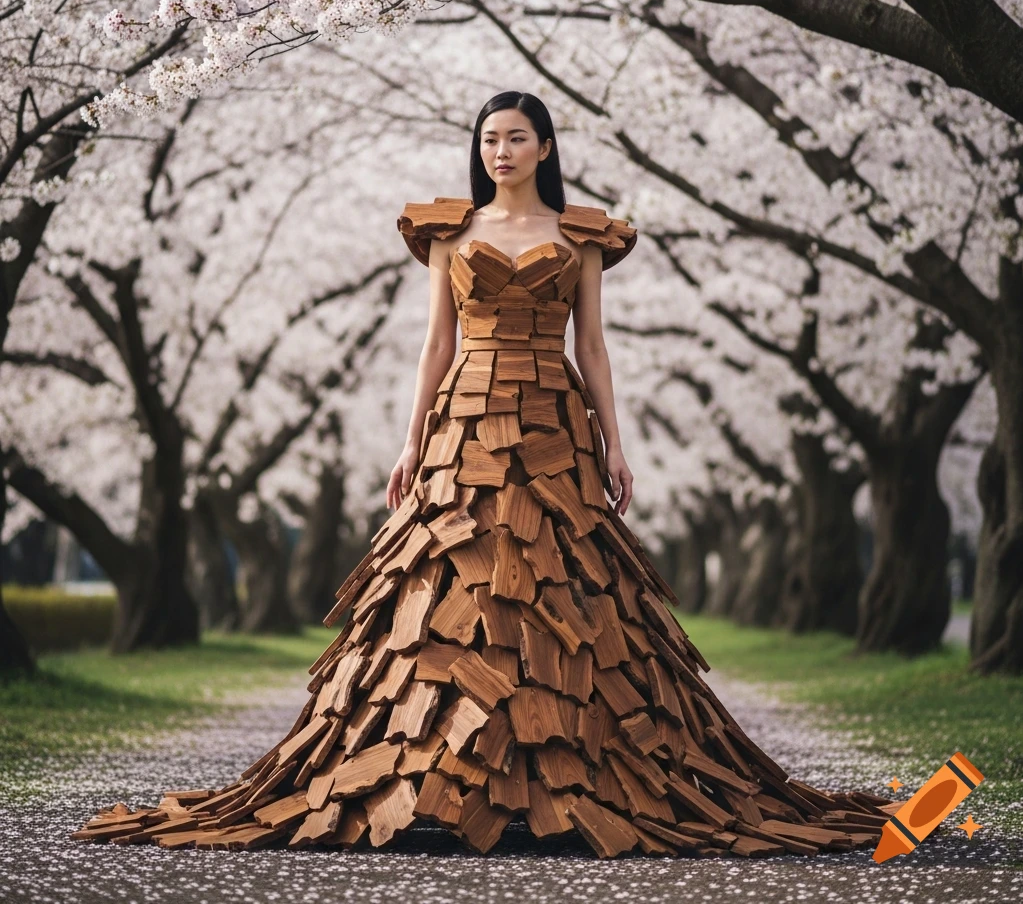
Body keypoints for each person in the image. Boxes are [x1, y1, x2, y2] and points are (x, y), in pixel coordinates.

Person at [72, 91, 894, 857]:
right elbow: (434, 346)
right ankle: (436, 778)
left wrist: (614, 444)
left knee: (561, 583)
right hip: (464, 419)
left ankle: (568, 773)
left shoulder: (583, 236)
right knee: (452, 582)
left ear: (544, 147)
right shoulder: (448, 233)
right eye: (489, 138)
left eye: (515, 138)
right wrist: (408, 444)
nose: (499, 150)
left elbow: (594, 350)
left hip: (553, 420)